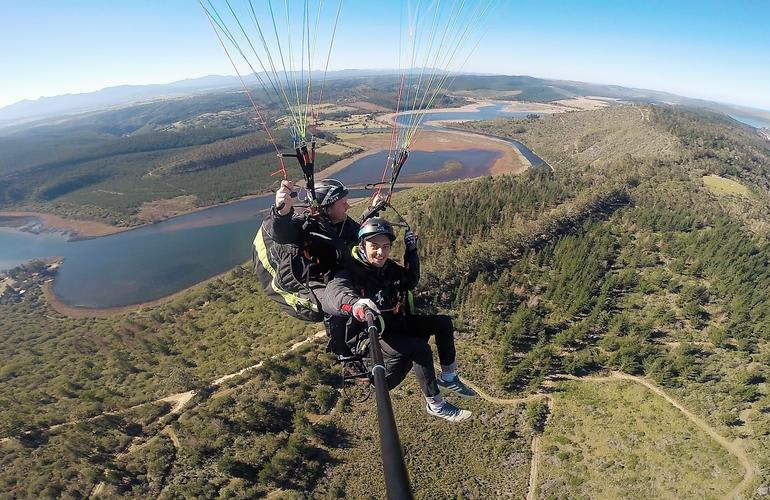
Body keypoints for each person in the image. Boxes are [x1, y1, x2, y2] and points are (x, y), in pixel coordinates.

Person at [322, 217, 476, 422]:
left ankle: (448, 377)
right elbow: (333, 295)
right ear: (362, 245)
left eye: (386, 247)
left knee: (443, 323)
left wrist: (411, 251)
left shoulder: (387, 267)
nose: (381, 252)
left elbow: (409, 281)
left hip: (393, 324)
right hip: (370, 337)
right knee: (419, 349)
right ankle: (436, 404)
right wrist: (354, 304)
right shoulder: (349, 270)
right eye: (374, 246)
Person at [260, 178, 360, 347]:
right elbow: (284, 234)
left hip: (326, 270)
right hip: (302, 277)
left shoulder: (343, 224)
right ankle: (343, 351)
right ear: (328, 207)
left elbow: (359, 235)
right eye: (343, 203)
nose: (348, 207)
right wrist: (282, 213)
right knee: (333, 304)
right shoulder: (306, 224)